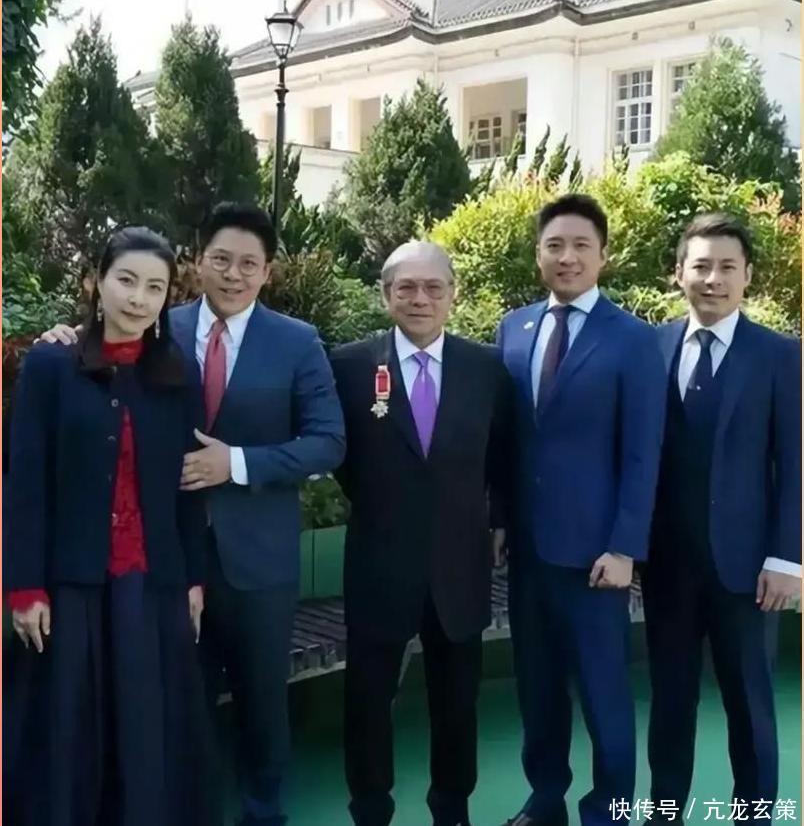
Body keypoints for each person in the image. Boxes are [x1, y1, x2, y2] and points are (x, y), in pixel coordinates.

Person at [35, 201, 346, 826]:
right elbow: (94, 362)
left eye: (249, 264)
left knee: (262, 702)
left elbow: (329, 441)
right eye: (221, 259)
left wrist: (237, 463)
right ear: (197, 261)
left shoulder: (297, 342)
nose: (233, 274)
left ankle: (262, 813)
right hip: (164, 560)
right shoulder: (156, 324)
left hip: (257, 560)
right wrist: (63, 336)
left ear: (267, 272)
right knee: (174, 700)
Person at [3, 226, 208, 826]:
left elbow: (189, 488)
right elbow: (26, 482)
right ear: (96, 281)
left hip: (154, 584)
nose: (138, 298)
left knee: (147, 730)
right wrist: (24, 587)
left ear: (167, 297)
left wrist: (194, 578)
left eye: (155, 287)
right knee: (70, 732)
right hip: (71, 586)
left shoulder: (177, 374)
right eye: (126, 280)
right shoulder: (50, 365)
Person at [329, 241, 514, 826]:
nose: (420, 298)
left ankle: (451, 809)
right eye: (406, 287)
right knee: (367, 702)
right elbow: (340, 456)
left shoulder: (486, 367)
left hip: (460, 564)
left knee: (457, 703)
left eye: (434, 287)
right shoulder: (349, 366)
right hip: (379, 561)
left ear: (452, 295)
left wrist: (498, 519)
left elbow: (503, 454)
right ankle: (370, 809)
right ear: (386, 295)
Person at [496, 194, 666, 826]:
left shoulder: (633, 339)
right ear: (538, 254)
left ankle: (609, 812)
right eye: (554, 246)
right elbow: (508, 440)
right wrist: (499, 519)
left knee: (603, 698)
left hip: (598, 558)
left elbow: (643, 452)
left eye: (580, 246)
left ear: (602, 255)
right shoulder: (513, 329)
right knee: (538, 693)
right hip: (528, 553)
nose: (566, 257)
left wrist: (625, 547)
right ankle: (545, 802)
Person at [642, 214, 801, 821]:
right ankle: (663, 813)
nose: (713, 279)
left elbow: (796, 463)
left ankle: (753, 816)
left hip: (749, 570)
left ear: (747, 276)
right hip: (667, 566)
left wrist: (788, 559)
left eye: (727, 267)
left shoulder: (781, 356)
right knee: (669, 704)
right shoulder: (650, 347)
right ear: (678, 272)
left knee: (749, 706)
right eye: (701, 266)